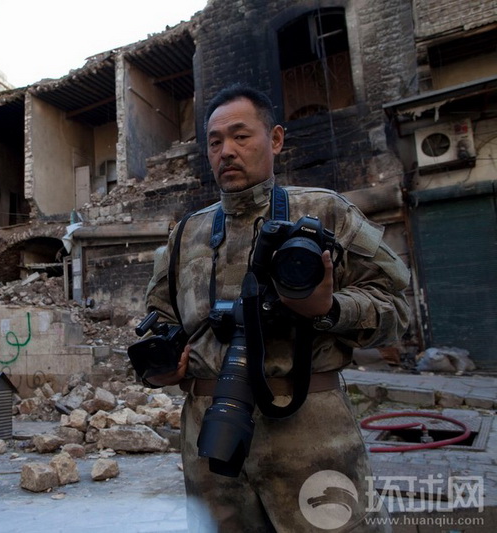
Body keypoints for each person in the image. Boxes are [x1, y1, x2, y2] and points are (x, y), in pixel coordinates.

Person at [143, 83, 410, 532]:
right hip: (211, 441)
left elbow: (397, 310)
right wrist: (160, 365)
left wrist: (327, 309)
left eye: (240, 136)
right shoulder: (186, 233)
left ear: (276, 139)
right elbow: (159, 320)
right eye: (215, 142)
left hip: (312, 432)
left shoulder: (327, 213)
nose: (227, 151)